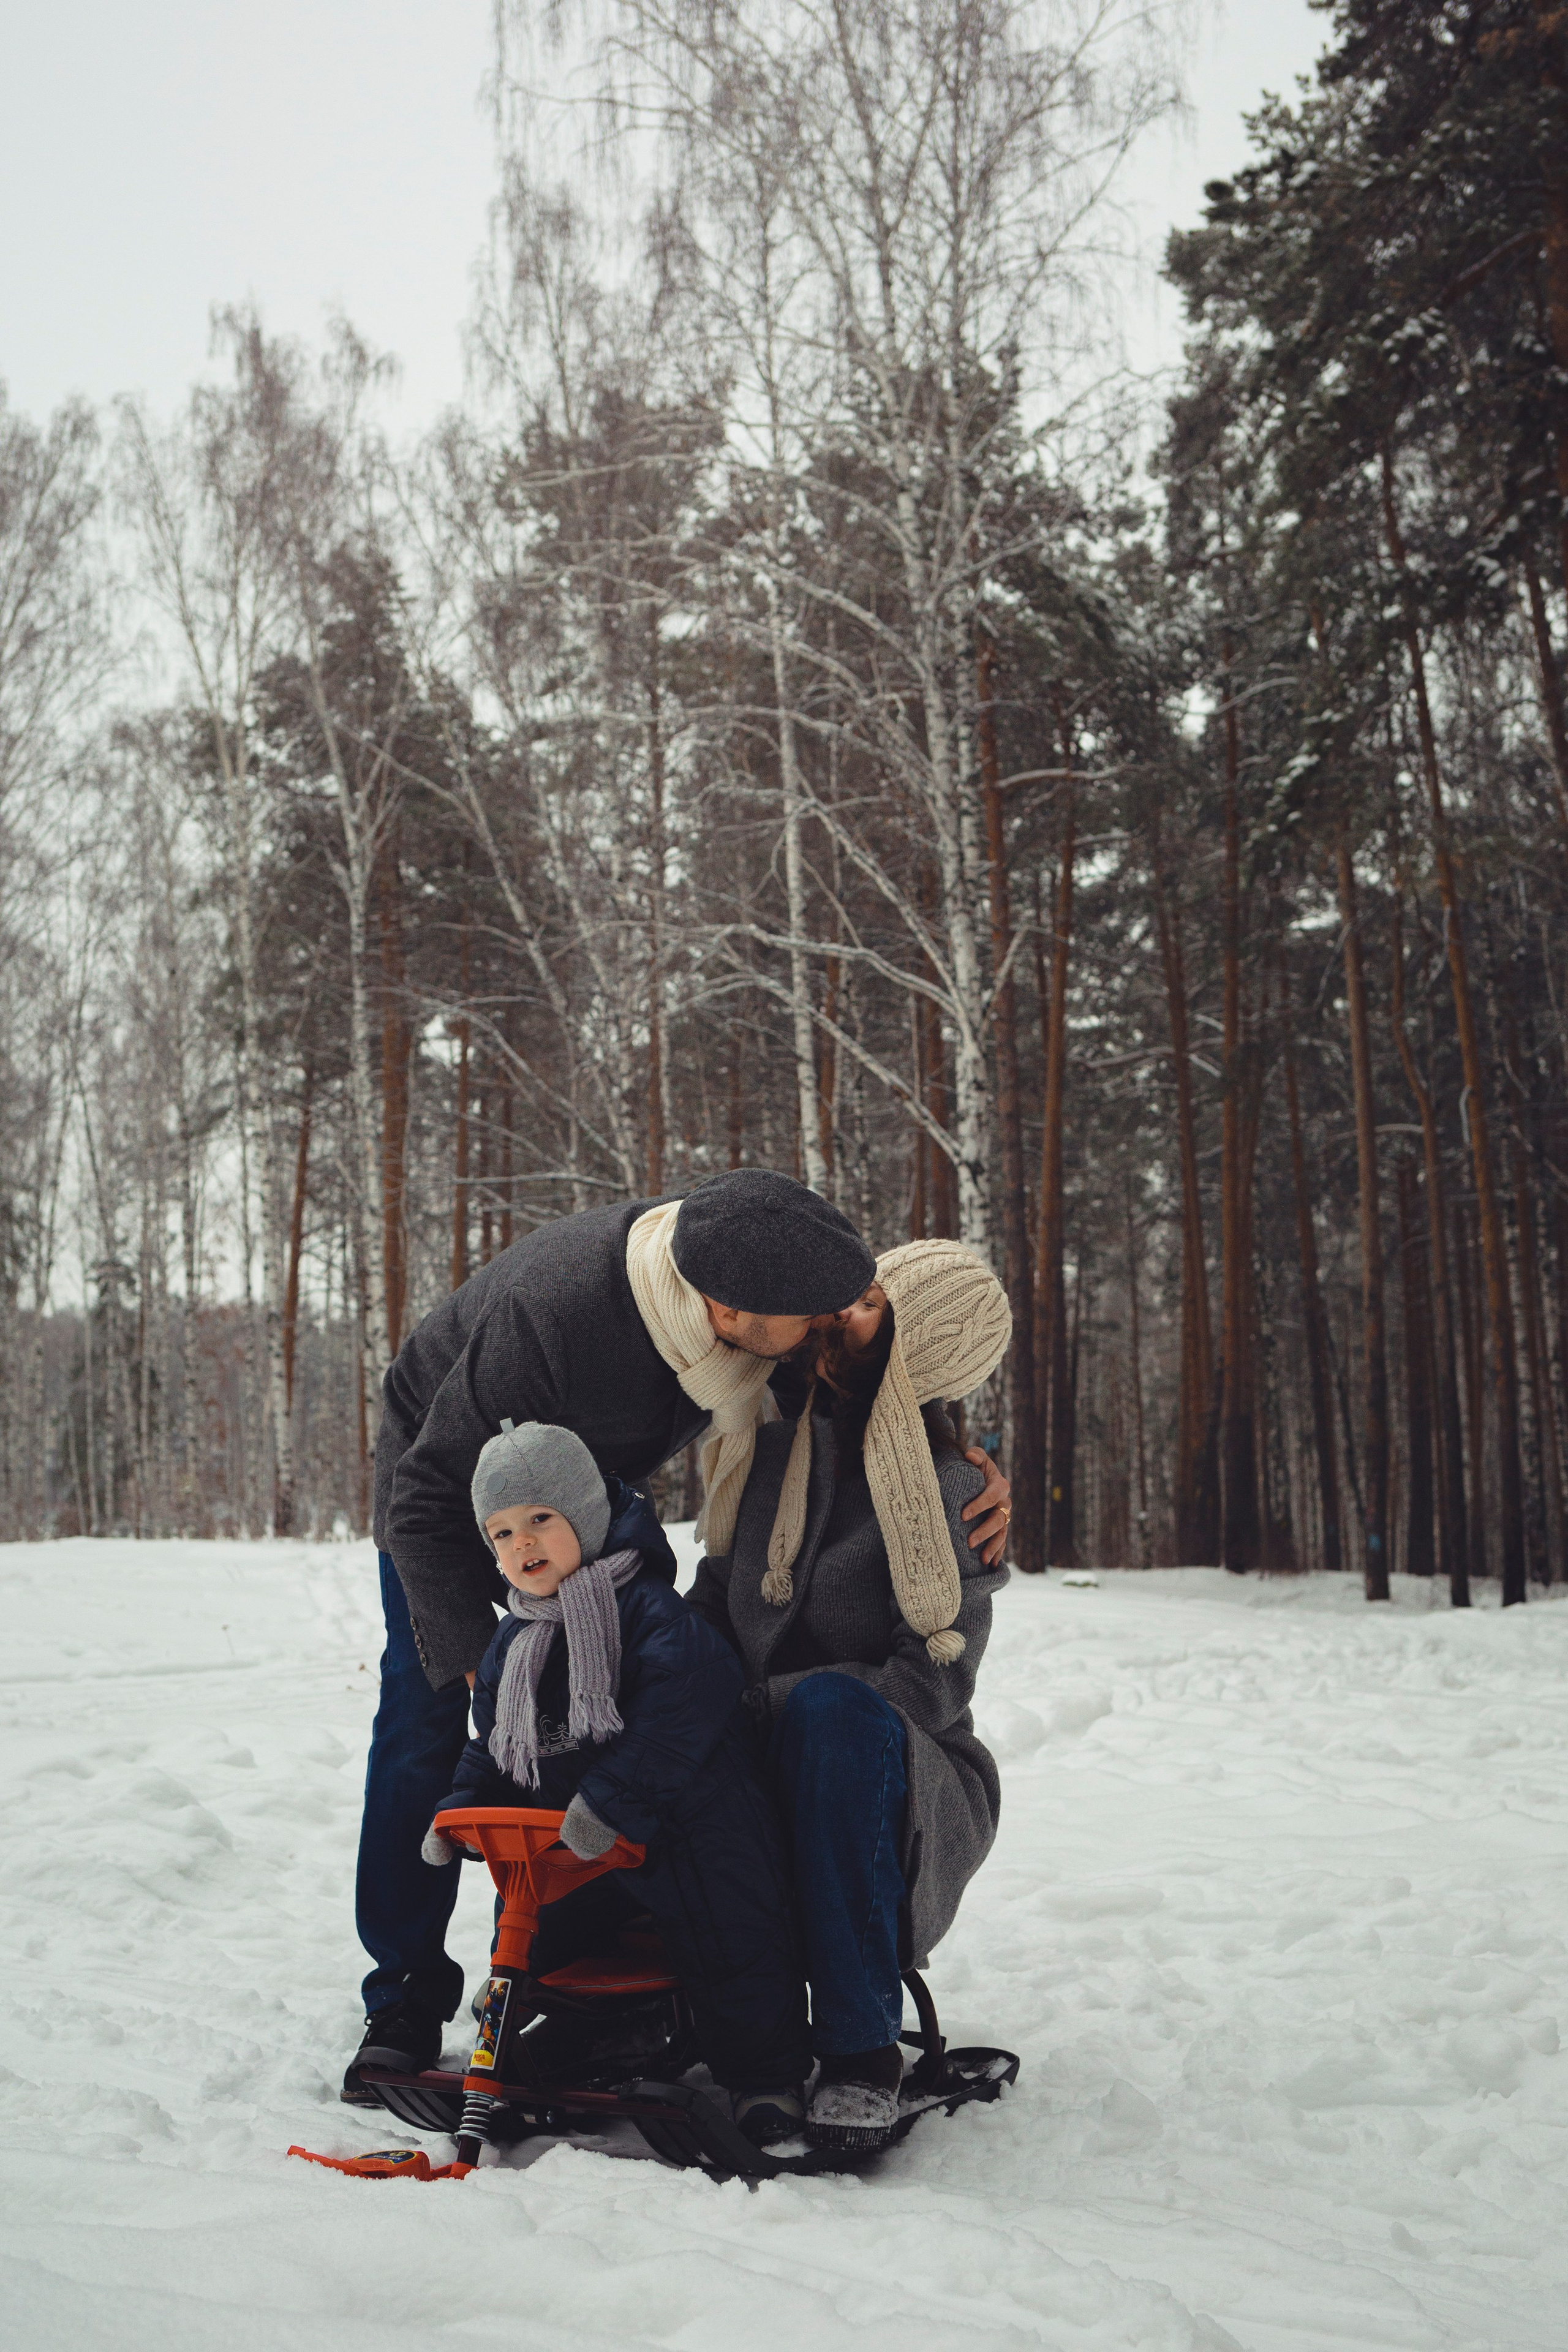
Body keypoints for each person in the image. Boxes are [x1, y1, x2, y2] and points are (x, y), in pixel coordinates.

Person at [348, 1167, 1013, 2099]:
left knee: (631, 1699)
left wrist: (971, 1468)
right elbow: (422, 1501)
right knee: (441, 1721)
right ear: (727, 1312)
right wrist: (468, 1659)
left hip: (593, 1496)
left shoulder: (768, 1293)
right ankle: (405, 1998)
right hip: (451, 1480)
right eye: (827, 1312)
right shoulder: (556, 1315)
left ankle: (623, 1972)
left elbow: (894, 1383)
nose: (830, 1320)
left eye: (843, 1304)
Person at [691, 1238, 1013, 2152]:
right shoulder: (764, 1443)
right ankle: (616, 1996)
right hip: (760, 1739)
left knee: (834, 1714)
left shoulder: (956, 1489)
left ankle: (862, 2052)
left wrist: (772, 1704)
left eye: (869, 1303)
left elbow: (933, 1678)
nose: (838, 1309)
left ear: (916, 1346)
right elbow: (719, 1600)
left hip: (898, 1762)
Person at [423, 1419, 810, 2142]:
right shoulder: (516, 1641)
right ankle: (563, 2036)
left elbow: (680, 1713)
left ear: (589, 1517)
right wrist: (463, 1808)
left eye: (541, 1519)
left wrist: (610, 1800)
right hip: (586, 1838)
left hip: (692, 1825)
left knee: (731, 1935)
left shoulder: (651, 1614)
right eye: (502, 1533)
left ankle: (764, 2077)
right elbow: (500, 1745)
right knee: (542, 1930)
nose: (523, 1545)